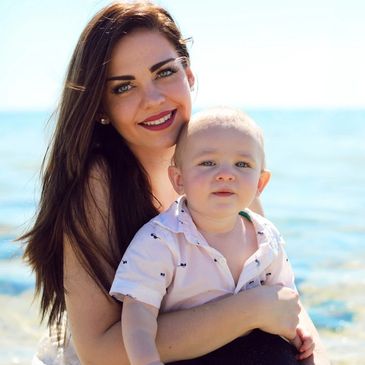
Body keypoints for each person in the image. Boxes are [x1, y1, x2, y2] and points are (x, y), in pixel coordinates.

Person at [20, 1, 329, 364]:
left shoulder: (218, 162)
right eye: (123, 87)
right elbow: (98, 352)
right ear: (100, 106)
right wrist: (250, 311)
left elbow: (282, 296)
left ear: (190, 76)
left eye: (164, 73)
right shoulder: (98, 183)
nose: (152, 99)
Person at [110, 107, 314, 365]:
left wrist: (299, 335)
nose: (226, 174)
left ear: (260, 184)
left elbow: (283, 299)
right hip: (190, 355)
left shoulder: (266, 238)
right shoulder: (160, 240)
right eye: (208, 163)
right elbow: (138, 314)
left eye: (242, 164)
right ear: (178, 179)